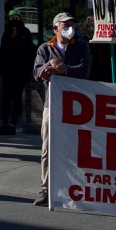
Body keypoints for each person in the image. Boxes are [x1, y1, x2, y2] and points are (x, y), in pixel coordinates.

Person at [32, 12, 90, 206]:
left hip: (76, 107)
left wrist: (65, 68)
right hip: (52, 104)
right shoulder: (45, 48)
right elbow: (36, 71)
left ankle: (75, 188)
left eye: (72, 25)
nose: (69, 28)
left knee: (75, 148)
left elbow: (84, 70)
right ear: (55, 28)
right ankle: (47, 188)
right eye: (65, 25)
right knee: (48, 148)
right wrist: (48, 66)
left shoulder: (80, 46)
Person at [0, 9, 36, 135]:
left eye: (16, 17)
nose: (14, 20)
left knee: (17, 96)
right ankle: (4, 122)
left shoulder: (25, 32)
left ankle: (13, 123)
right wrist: (0, 69)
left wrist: (28, 69)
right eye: (11, 18)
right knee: (6, 97)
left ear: (19, 18)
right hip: (7, 71)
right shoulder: (6, 34)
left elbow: (30, 51)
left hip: (20, 71)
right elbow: (2, 52)